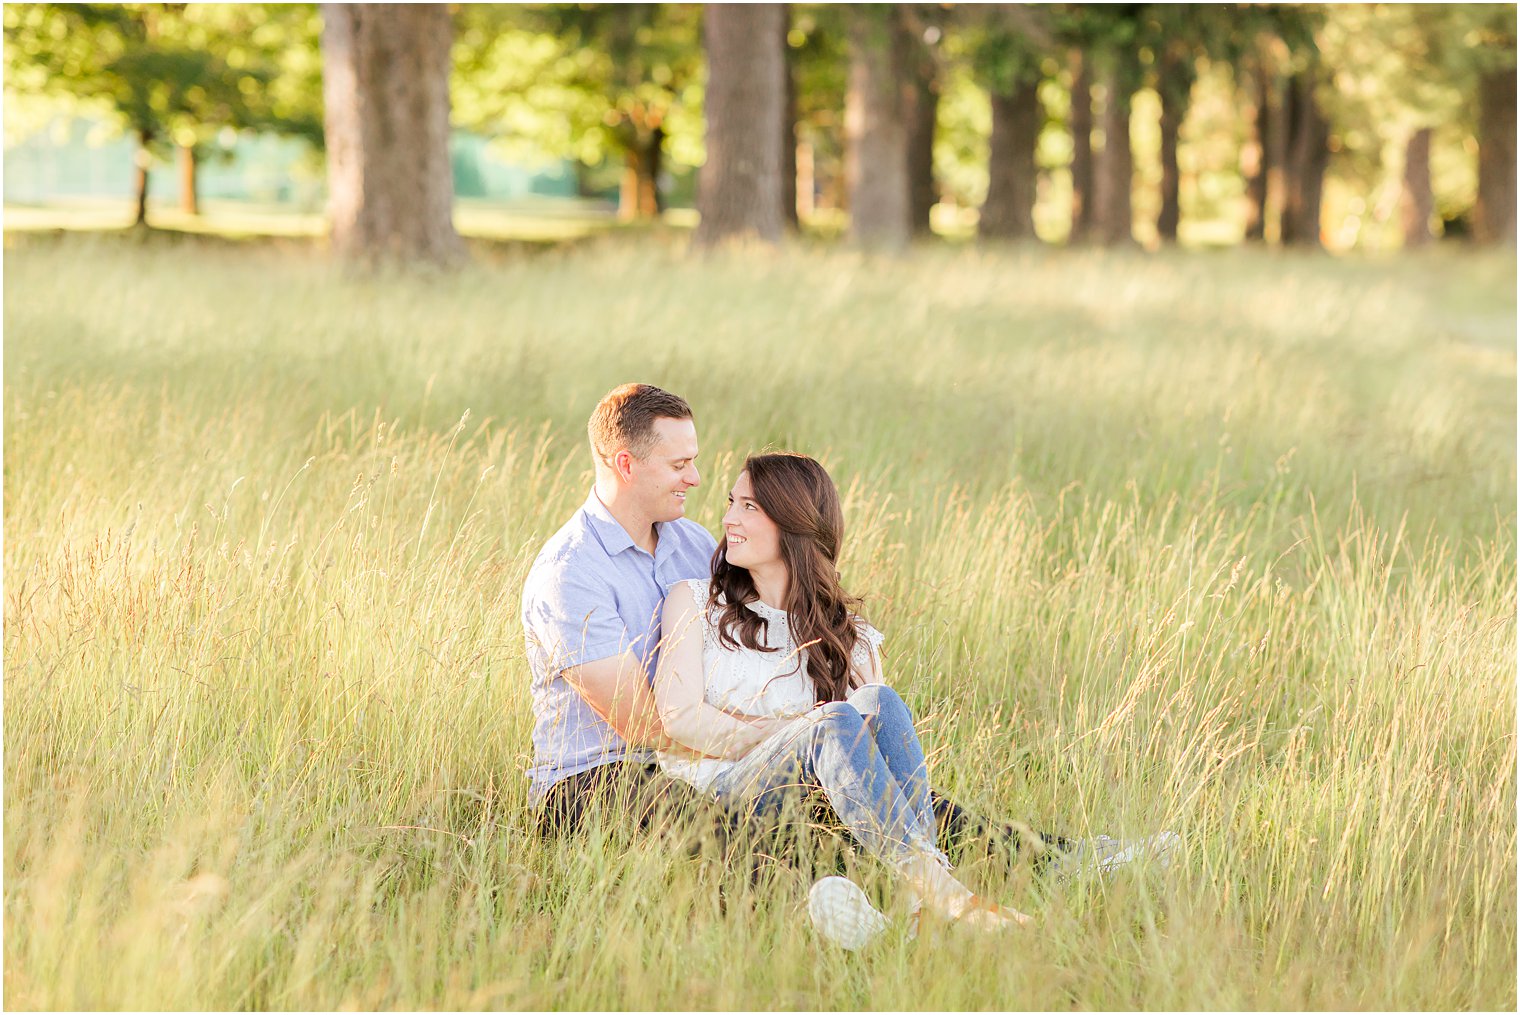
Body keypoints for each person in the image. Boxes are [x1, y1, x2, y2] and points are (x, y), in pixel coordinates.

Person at [521, 383, 1167, 874]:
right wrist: (801, 738)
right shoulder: (570, 573)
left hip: (715, 756)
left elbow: (770, 611)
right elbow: (649, 726)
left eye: (696, 460)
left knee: (873, 783)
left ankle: (1063, 859)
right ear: (626, 465)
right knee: (769, 842)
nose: (696, 477)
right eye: (679, 464)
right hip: (600, 780)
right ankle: (871, 902)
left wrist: (833, 717)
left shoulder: (691, 544)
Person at [654, 452, 1030, 930]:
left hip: (821, 807)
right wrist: (802, 734)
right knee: (831, 720)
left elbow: (874, 752)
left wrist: (822, 739)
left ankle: (917, 910)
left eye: (749, 507)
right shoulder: (694, 603)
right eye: (732, 502)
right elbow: (680, 717)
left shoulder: (851, 637)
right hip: (726, 797)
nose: (728, 518)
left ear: (793, 522)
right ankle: (946, 896)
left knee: (879, 702)